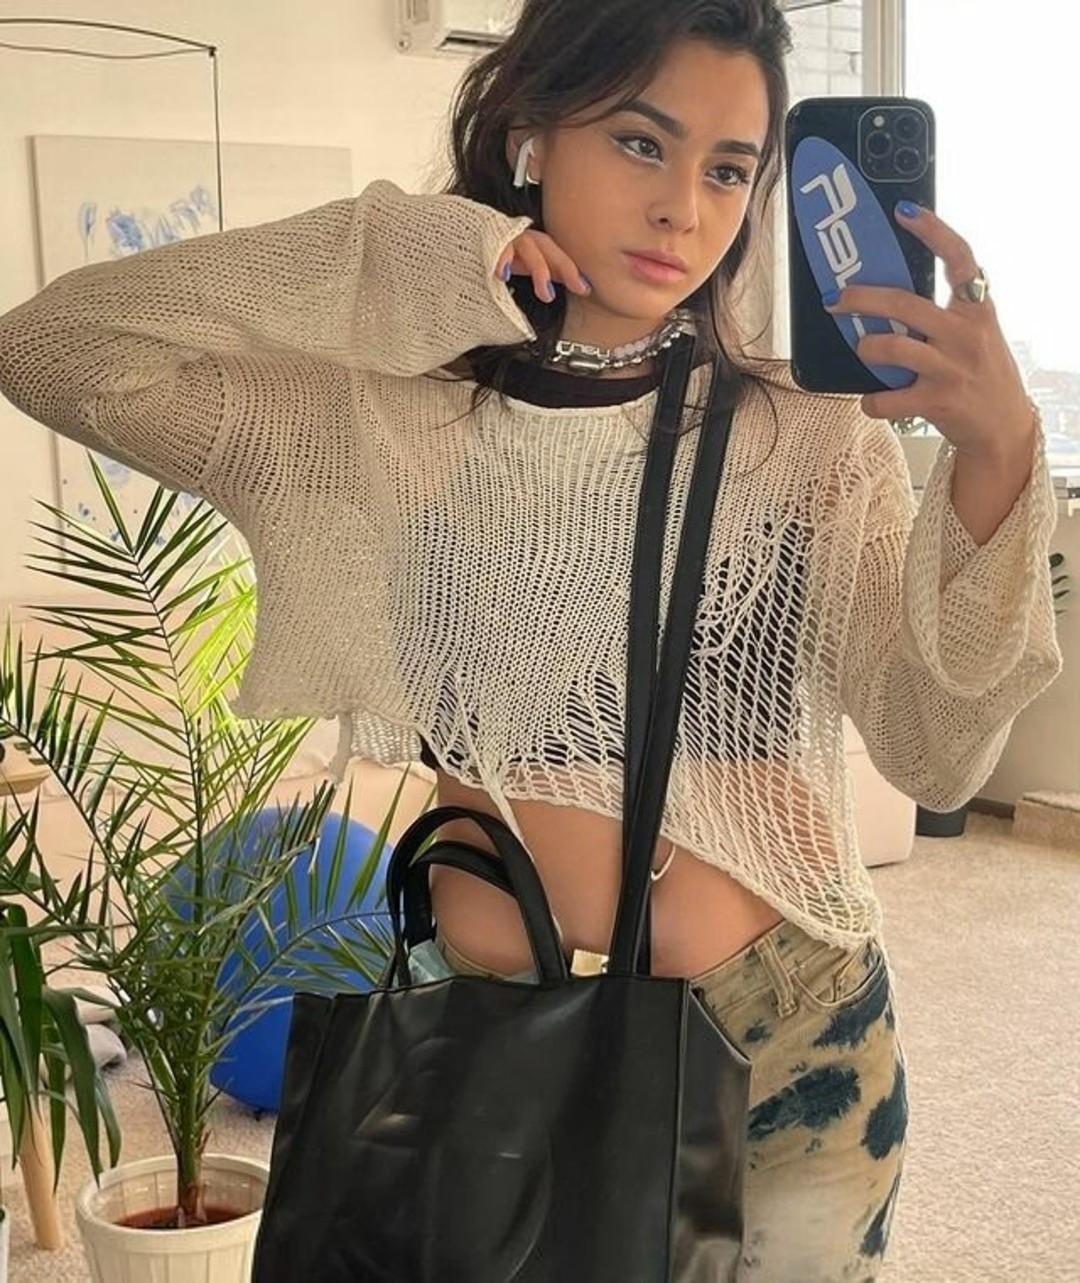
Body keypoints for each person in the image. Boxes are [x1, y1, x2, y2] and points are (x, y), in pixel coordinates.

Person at [0, 1, 1062, 1277]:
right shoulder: (381, 425)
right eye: (640, 142)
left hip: (785, 1035)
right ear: (529, 135)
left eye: (730, 169)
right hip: (488, 1035)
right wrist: (413, 258)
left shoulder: (806, 437)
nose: (684, 209)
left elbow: (937, 752)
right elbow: (54, 350)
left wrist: (999, 457)